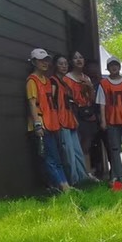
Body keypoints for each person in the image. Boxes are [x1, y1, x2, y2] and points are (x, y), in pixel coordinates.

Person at [26, 48, 69, 193]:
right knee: (49, 159)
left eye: (46, 60)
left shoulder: (47, 81)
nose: (44, 63)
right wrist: (37, 125)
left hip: (52, 123)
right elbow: (32, 104)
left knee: (56, 157)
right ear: (34, 62)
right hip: (42, 126)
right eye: (40, 60)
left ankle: (64, 185)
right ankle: (61, 186)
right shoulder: (32, 81)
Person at [96, 58, 122, 182]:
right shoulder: (104, 84)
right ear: (107, 68)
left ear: (119, 67)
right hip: (112, 120)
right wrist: (103, 120)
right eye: (111, 65)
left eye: (115, 65)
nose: (113, 67)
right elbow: (102, 104)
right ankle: (118, 174)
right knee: (115, 148)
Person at [53, 55, 90, 185]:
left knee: (77, 151)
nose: (64, 66)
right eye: (60, 64)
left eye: (65, 64)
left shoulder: (65, 83)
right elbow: (52, 103)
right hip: (61, 121)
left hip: (71, 119)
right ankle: (73, 181)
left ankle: (83, 178)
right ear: (55, 66)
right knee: (68, 152)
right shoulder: (53, 81)